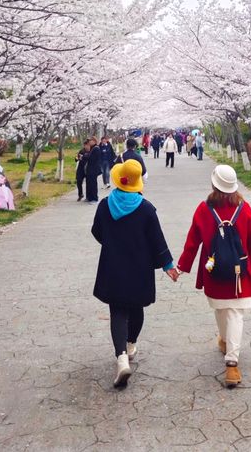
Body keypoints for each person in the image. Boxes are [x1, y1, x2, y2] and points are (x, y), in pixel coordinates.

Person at [91, 159, 179, 387]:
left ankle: (121, 357)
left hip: (113, 266)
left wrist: (112, 243)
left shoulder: (104, 205)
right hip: (139, 268)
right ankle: (130, 345)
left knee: (117, 311)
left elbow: (97, 232)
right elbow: (157, 239)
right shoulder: (146, 208)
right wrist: (168, 265)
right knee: (136, 308)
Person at [177, 165, 251, 388]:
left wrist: (181, 267)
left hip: (213, 273)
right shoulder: (244, 208)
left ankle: (226, 343)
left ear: (213, 184)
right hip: (240, 274)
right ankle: (232, 364)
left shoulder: (204, 209)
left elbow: (192, 242)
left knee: (221, 308)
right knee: (235, 313)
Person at [86, 136, 102, 203]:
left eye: (90, 141)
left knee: (93, 184)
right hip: (90, 169)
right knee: (89, 183)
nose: (89, 142)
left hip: (93, 169)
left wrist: (85, 156)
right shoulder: (92, 148)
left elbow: (92, 158)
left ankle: (94, 198)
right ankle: (89, 197)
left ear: (94, 141)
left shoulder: (96, 148)